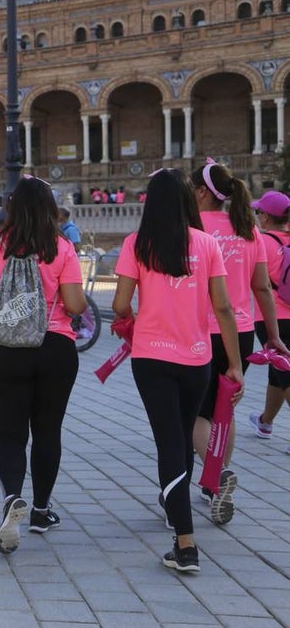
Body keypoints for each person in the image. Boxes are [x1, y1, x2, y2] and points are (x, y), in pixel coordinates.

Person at [112, 168, 241, 574]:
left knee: (169, 442)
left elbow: (118, 305)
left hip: (151, 358)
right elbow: (222, 307)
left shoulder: (137, 244)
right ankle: (176, 508)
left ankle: (185, 544)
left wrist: (135, 318)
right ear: (189, 200)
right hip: (198, 358)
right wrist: (234, 363)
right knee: (181, 438)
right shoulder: (206, 243)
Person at [0, 176, 86, 554]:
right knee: (48, 431)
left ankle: (11, 499)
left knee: (9, 433)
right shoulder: (62, 247)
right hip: (55, 347)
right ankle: (41, 509)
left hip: (5, 349)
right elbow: (77, 304)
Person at [190, 161, 286, 522]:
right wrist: (273, 336)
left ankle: (218, 479)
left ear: (201, 192)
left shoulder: (193, 228)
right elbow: (262, 286)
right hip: (242, 332)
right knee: (223, 411)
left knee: (195, 414)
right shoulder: (248, 229)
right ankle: (214, 483)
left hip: (199, 330)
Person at [250, 191, 290, 447]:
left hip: (272, 317)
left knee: (286, 373)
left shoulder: (262, 243)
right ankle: (265, 422)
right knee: (278, 373)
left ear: (265, 216)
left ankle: (266, 422)